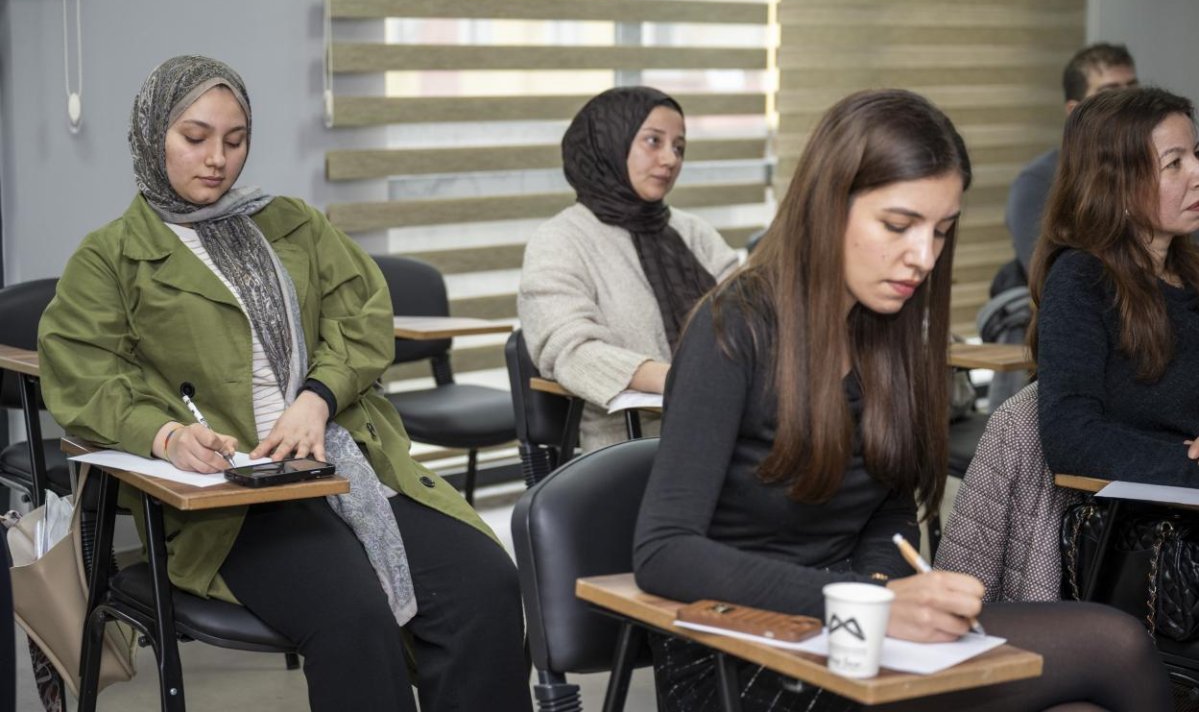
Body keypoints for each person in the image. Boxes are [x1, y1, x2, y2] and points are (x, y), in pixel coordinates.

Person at [633, 88, 1170, 711]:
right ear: (829, 205)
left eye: (941, 232)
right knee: (1116, 645)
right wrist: (876, 605)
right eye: (898, 225)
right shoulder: (733, 329)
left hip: (855, 626)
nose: (923, 258)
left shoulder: (889, 331)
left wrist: (900, 598)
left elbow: (884, 510)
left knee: (1095, 683)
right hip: (744, 647)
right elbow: (663, 553)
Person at [37, 56, 532, 712]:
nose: (217, 158)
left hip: (342, 462)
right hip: (233, 500)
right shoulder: (110, 256)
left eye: (235, 141)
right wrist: (164, 435)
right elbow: (82, 370)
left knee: (484, 583)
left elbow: (363, 315)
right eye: (195, 137)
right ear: (152, 134)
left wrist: (316, 396)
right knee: (352, 615)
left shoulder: (290, 222)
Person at [518, 86, 738, 451]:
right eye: (654, 141)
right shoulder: (560, 239)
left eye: (679, 147)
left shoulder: (692, 231)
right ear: (608, 143)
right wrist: (681, 381)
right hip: (629, 450)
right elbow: (572, 352)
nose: (670, 159)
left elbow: (752, 314)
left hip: (728, 432)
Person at [1031, 86, 1199, 485]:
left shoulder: (1189, 269)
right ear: (1117, 184)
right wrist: (1187, 466)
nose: (1196, 173)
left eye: (1196, 153)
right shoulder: (1082, 281)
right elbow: (1070, 437)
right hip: (1147, 522)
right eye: (1174, 164)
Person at [1006, 42, 1138, 278]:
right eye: (1111, 93)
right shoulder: (1038, 181)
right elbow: (1046, 277)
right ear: (1075, 110)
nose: (1129, 103)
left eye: (1133, 88)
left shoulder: (1160, 168)